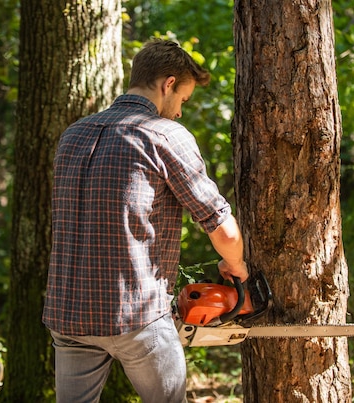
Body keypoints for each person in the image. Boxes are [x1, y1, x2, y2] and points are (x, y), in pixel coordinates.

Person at [42, 38, 249, 403]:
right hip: (135, 316)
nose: (180, 111)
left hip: (69, 314)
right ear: (168, 84)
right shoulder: (164, 135)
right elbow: (223, 228)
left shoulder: (72, 135)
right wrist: (236, 266)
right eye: (182, 99)